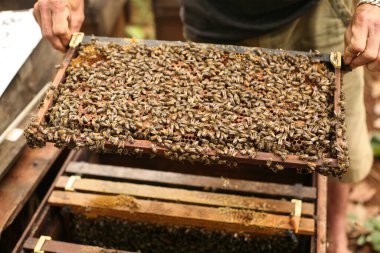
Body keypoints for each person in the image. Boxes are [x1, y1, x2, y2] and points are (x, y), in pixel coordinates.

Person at [33, 0, 379, 252]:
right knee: (219, 140)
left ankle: (334, 236)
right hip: (216, 18)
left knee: (334, 138)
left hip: (318, 10)